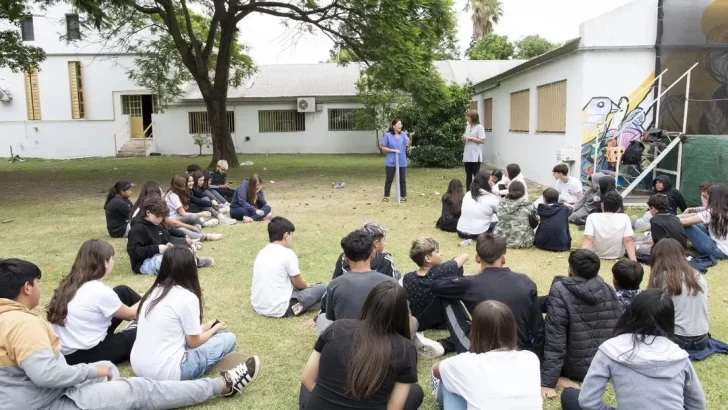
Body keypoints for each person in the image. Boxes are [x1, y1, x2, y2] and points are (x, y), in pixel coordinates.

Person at [0, 258, 258, 410]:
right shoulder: (22, 324)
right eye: (37, 284)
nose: (39, 289)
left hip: (28, 396)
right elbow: (48, 375)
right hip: (46, 402)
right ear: (26, 288)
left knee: (107, 367)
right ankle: (222, 386)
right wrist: (92, 372)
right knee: (140, 389)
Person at [560, 289, 706, 410]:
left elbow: (588, 401)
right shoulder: (679, 355)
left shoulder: (611, 349)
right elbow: (697, 405)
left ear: (631, 313)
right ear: (669, 320)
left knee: (569, 396)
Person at [130, 247, 257, 382]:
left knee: (211, 335)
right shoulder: (187, 297)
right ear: (190, 268)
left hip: (138, 366)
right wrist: (214, 329)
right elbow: (193, 342)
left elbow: (174, 330)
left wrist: (204, 327)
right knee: (228, 338)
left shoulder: (153, 291)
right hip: (167, 372)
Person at [299, 282, 423, 410]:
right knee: (414, 392)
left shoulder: (337, 327)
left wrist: (328, 400)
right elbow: (394, 408)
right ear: (403, 314)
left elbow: (307, 378)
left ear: (368, 304)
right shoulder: (405, 348)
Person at [429, 233, 544, 356]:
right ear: (503, 258)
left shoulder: (470, 284)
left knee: (446, 296)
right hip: (518, 351)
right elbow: (538, 328)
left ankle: (419, 326)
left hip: (480, 353)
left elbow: (435, 286)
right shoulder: (526, 281)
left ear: (477, 258)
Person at [540, 249, 622, 400]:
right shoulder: (608, 288)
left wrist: (548, 382)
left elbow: (555, 340)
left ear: (570, 268)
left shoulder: (560, 290)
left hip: (574, 368)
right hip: (603, 365)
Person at [432, 301, 542, 410]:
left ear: (475, 331)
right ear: (512, 329)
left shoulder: (467, 362)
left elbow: (436, 370)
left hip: (459, 372)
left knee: (449, 381)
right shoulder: (531, 358)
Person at [47, 240, 140, 365]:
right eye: (112, 259)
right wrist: (153, 294)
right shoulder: (98, 291)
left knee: (122, 291)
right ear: (104, 262)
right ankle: (155, 319)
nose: (113, 262)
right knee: (140, 333)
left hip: (68, 349)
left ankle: (152, 316)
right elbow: (130, 314)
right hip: (85, 354)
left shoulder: (70, 283)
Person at [316, 230, 399, 335]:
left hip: (345, 342)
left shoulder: (335, 285)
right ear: (373, 253)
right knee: (413, 321)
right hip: (380, 342)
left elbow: (332, 317)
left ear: (346, 256)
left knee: (322, 318)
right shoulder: (390, 283)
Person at [251, 217, 327, 318]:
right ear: (286, 235)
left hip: (258, 306)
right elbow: (299, 285)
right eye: (291, 235)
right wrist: (308, 286)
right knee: (325, 287)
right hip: (281, 309)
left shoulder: (262, 252)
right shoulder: (287, 254)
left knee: (315, 294)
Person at [403, 238, 467, 353]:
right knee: (457, 267)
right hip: (443, 322)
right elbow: (464, 256)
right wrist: (449, 264)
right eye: (437, 251)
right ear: (428, 258)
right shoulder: (440, 271)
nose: (441, 253)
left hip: (421, 321)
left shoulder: (408, 277)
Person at [648, 239, 709, 351]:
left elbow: (651, 310)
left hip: (677, 339)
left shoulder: (662, 277)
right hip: (702, 339)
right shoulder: (697, 275)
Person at [127, 196, 213, 275]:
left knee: (181, 251)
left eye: (162, 216)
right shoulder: (138, 228)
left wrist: (173, 245)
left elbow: (166, 238)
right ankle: (190, 264)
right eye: (157, 216)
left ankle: (192, 262)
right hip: (144, 263)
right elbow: (133, 251)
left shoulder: (158, 224)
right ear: (148, 212)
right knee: (164, 261)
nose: (160, 219)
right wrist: (158, 248)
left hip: (161, 255)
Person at [132, 181, 221, 243]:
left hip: (161, 228)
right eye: (160, 193)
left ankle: (199, 231)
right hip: (150, 234)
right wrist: (189, 226)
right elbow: (174, 222)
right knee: (179, 230)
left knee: (177, 231)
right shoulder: (152, 208)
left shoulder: (146, 205)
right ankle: (203, 235)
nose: (163, 195)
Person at [331, 221, 400, 282]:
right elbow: (392, 288)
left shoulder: (345, 256)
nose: (385, 244)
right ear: (376, 243)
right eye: (383, 240)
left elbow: (334, 282)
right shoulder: (385, 260)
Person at [582, 191, 636, 261]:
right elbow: (628, 240)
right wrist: (634, 261)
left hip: (594, 254)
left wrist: (581, 258)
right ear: (618, 208)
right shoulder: (624, 218)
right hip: (617, 255)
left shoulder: (592, 217)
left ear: (602, 205)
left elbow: (588, 238)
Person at [681, 183, 728, 259]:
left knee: (687, 226)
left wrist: (667, 219)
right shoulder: (723, 210)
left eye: (709, 194)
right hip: (724, 249)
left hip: (718, 252)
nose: (707, 197)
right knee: (696, 224)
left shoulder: (712, 212)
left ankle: (674, 245)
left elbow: (684, 222)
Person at [456, 171, 500, 240]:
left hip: (460, 231)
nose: (492, 183)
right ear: (485, 182)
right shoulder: (491, 197)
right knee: (498, 221)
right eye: (491, 180)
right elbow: (501, 213)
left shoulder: (468, 194)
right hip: (478, 233)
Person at [494, 181, 537, 248]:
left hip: (499, 240)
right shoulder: (529, 205)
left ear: (509, 191)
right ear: (523, 191)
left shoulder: (500, 203)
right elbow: (534, 223)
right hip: (522, 242)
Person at [380, 119, 412, 203]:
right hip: (391, 161)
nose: (400, 126)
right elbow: (383, 148)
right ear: (394, 126)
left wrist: (410, 137)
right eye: (398, 124)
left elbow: (408, 145)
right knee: (389, 179)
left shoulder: (403, 134)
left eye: (401, 124)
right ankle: (386, 196)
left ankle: (403, 197)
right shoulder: (388, 135)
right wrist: (393, 151)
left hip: (401, 160)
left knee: (402, 179)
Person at [534, 187, 572, 252]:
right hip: (561, 245)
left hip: (541, 243)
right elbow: (571, 209)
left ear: (544, 199)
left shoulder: (541, 209)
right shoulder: (564, 209)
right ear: (558, 198)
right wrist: (563, 204)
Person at [461, 110, 486, 191]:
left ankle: (477, 191)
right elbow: (465, 137)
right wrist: (464, 138)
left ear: (473, 117)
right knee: (468, 174)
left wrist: (471, 138)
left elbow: (482, 140)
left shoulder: (479, 127)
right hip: (467, 153)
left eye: (468, 117)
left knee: (476, 174)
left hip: (475, 154)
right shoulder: (468, 126)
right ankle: (468, 192)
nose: (466, 118)